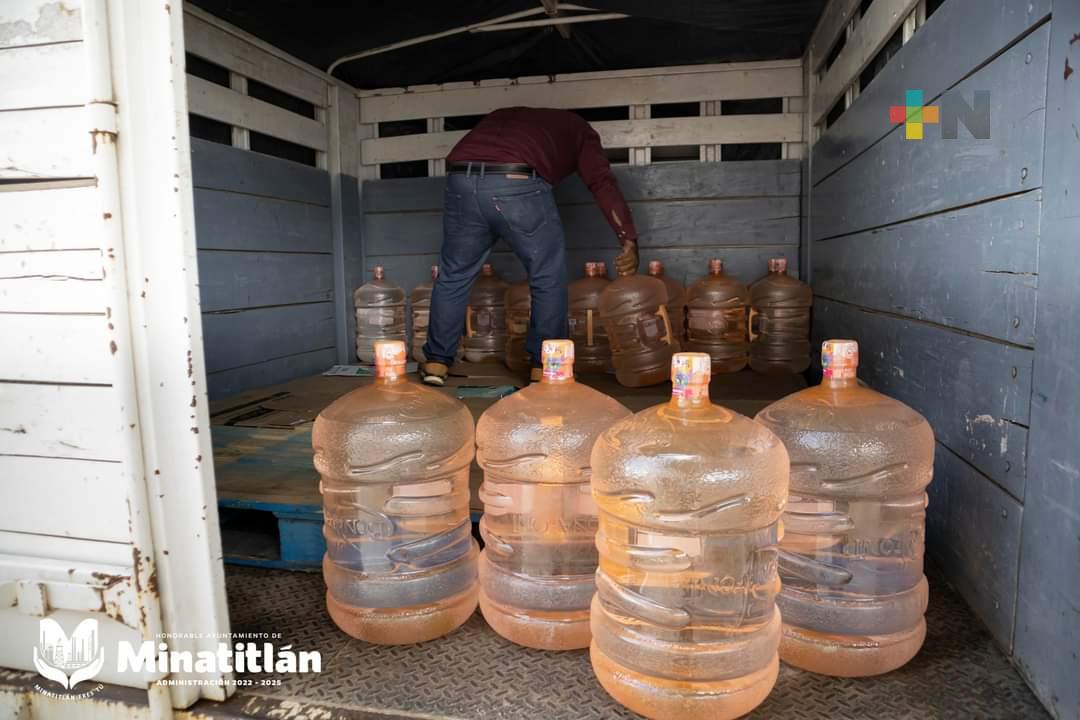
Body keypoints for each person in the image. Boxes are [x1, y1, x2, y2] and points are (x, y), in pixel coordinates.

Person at [420, 107, 639, 386]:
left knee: (453, 275)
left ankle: (436, 363)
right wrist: (628, 237)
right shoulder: (579, 129)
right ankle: (545, 367)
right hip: (517, 182)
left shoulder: (504, 115)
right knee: (546, 276)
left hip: (460, 179)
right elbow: (601, 182)